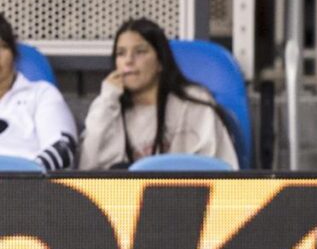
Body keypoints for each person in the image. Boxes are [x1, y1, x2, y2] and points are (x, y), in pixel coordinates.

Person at [78, 18, 238, 170]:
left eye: (140, 52)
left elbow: (220, 169)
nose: (128, 60)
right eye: (121, 53)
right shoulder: (109, 106)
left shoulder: (193, 104)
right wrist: (108, 99)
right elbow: (88, 167)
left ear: (160, 62)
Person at [0, 13, 77, 170]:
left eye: (2, 46)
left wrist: (26, 177)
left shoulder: (42, 94)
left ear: (14, 55)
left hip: (28, 189)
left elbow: (63, 148)